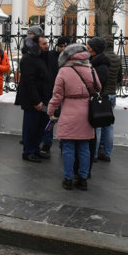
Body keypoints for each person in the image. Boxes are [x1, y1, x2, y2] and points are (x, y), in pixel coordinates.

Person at [48, 44, 101, 191]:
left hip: (68, 112)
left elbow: (57, 95)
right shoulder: (90, 69)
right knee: (84, 148)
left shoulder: (64, 71)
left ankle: (68, 179)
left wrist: (51, 111)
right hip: (86, 112)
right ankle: (82, 179)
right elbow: (98, 87)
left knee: (68, 147)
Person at [16, 35, 54, 162]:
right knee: (31, 127)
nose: (46, 46)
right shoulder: (28, 59)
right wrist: (36, 101)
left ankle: (36, 149)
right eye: (44, 44)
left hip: (44, 100)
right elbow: (29, 82)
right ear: (36, 45)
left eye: (46, 43)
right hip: (34, 102)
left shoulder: (42, 57)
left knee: (40, 127)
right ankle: (28, 152)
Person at [96, 35, 122, 162]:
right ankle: (106, 153)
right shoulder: (117, 58)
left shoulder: (101, 58)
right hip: (112, 94)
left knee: (97, 124)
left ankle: (94, 154)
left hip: (102, 94)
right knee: (109, 125)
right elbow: (119, 78)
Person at [86, 37, 111, 168]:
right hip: (99, 97)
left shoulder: (100, 66)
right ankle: (101, 153)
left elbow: (96, 86)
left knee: (98, 127)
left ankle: (94, 153)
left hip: (96, 100)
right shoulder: (94, 63)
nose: (86, 50)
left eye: (88, 48)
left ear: (94, 50)